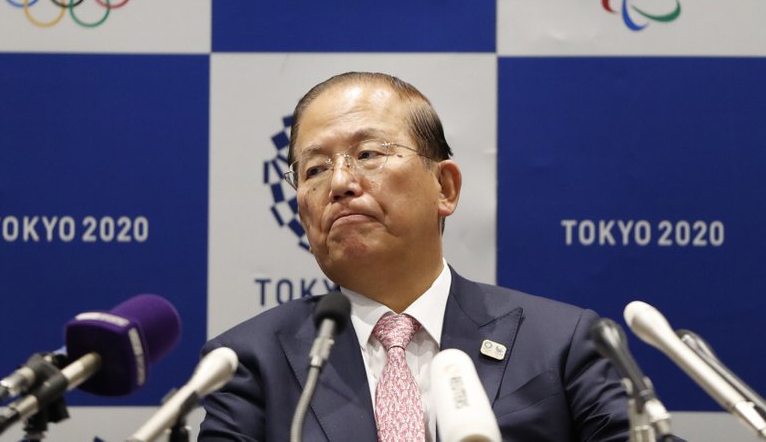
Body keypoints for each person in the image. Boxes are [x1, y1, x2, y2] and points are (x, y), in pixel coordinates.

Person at [198, 72, 630, 441]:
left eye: (368, 154)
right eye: (315, 169)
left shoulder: (563, 342)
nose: (341, 182)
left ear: (445, 188)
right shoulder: (249, 362)